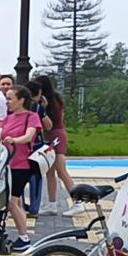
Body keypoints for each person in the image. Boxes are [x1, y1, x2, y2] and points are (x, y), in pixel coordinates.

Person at [0, 85, 42, 252]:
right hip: (5, 164)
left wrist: (14, 140)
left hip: (21, 165)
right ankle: (24, 236)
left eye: (10, 98)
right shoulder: (7, 118)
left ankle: (24, 238)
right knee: (15, 202)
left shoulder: (32, 116)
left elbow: (29, 136)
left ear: (21, 100)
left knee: (12, 202)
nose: (7, 102)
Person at [33, 75, 80, 216]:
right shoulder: (56, 98)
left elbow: (50, 122)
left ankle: (78, 202)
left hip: (56, 135)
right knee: (50, 172)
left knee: (61, 170)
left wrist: (42, 108)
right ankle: (52, 204)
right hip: (52, 134)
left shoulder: (49, 102)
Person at [24, 81, 51, 216]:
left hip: (18, 146)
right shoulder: (37, 108)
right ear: (39, 93)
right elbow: (49, 125)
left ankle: (20, 205)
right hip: (35, 146)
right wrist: (43, 109)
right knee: (35, 177)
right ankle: (34, 208)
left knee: (18, 176)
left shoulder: (16, 106)